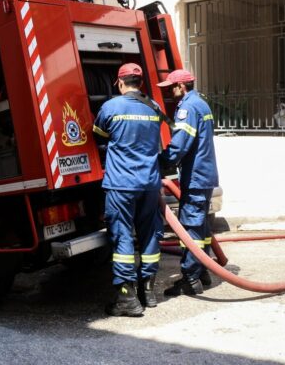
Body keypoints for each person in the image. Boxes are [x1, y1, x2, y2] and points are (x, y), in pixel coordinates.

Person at [93, 63, 164, 316]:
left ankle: (127, 299)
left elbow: (98, 135)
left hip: (121, 184)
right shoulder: (153, 107)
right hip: (150, 184)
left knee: (122, 236)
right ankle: (149, 292)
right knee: (149, 234)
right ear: (141, 83)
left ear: (120, 83)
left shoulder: (110, 107)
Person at [158, 69, 219, 296]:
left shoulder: (187, 108)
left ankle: (191, 279)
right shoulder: (201, 103)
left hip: (195, 176)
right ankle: (202, 271)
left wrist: (163, 161)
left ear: (181, 87)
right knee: (201, 227)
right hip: (205, 174)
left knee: (190, 227)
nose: (169, 92)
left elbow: (180, 144)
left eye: (171, 88)